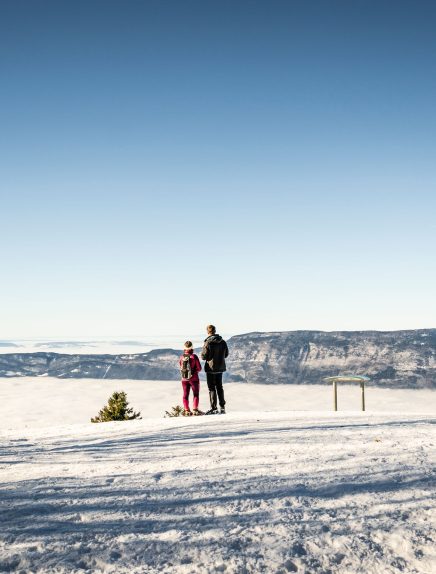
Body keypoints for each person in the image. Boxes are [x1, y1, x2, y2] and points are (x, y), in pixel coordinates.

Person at [201, 325, 229, 415]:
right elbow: (226, 354)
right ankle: (222, 407)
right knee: (219, 387)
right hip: (220, 367)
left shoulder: (208, 342)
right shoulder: (223, 342)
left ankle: (214, 408)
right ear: (215, 331)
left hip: (210, 368)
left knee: (211, 388)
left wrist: (208, 357)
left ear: (208, 332)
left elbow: (203, 356)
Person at [179, 341, 202, 416]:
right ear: (192, 347)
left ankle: (186, 410)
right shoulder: (194, 356)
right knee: (195, 394)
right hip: (194, 379)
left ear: (184, 348)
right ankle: (195, 410)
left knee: (185, 395)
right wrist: (194, 372)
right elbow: (199, 368)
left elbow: (180, 366)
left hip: (184, 379)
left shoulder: (182, 357)